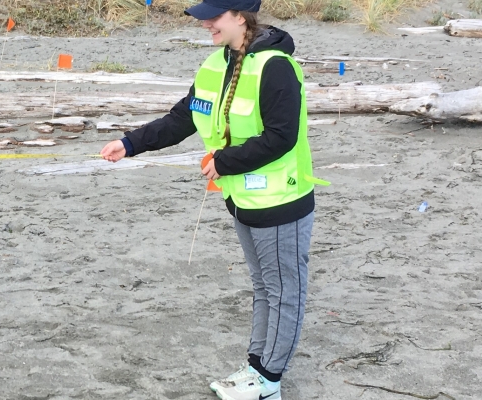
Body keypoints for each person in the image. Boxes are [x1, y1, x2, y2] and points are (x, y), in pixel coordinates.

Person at [98, 1, 326, 399]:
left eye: (215, 16)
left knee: (284, 292)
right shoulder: (214, 66)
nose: (206, 23)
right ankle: (256, 366)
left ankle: (268, 380)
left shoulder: (276, 67)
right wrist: (130, 143)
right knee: (264, 287)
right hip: (242, 201)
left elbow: (281, 136)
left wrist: (224, 161)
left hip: (281, 201)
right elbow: (182, 118)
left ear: (241, 16)